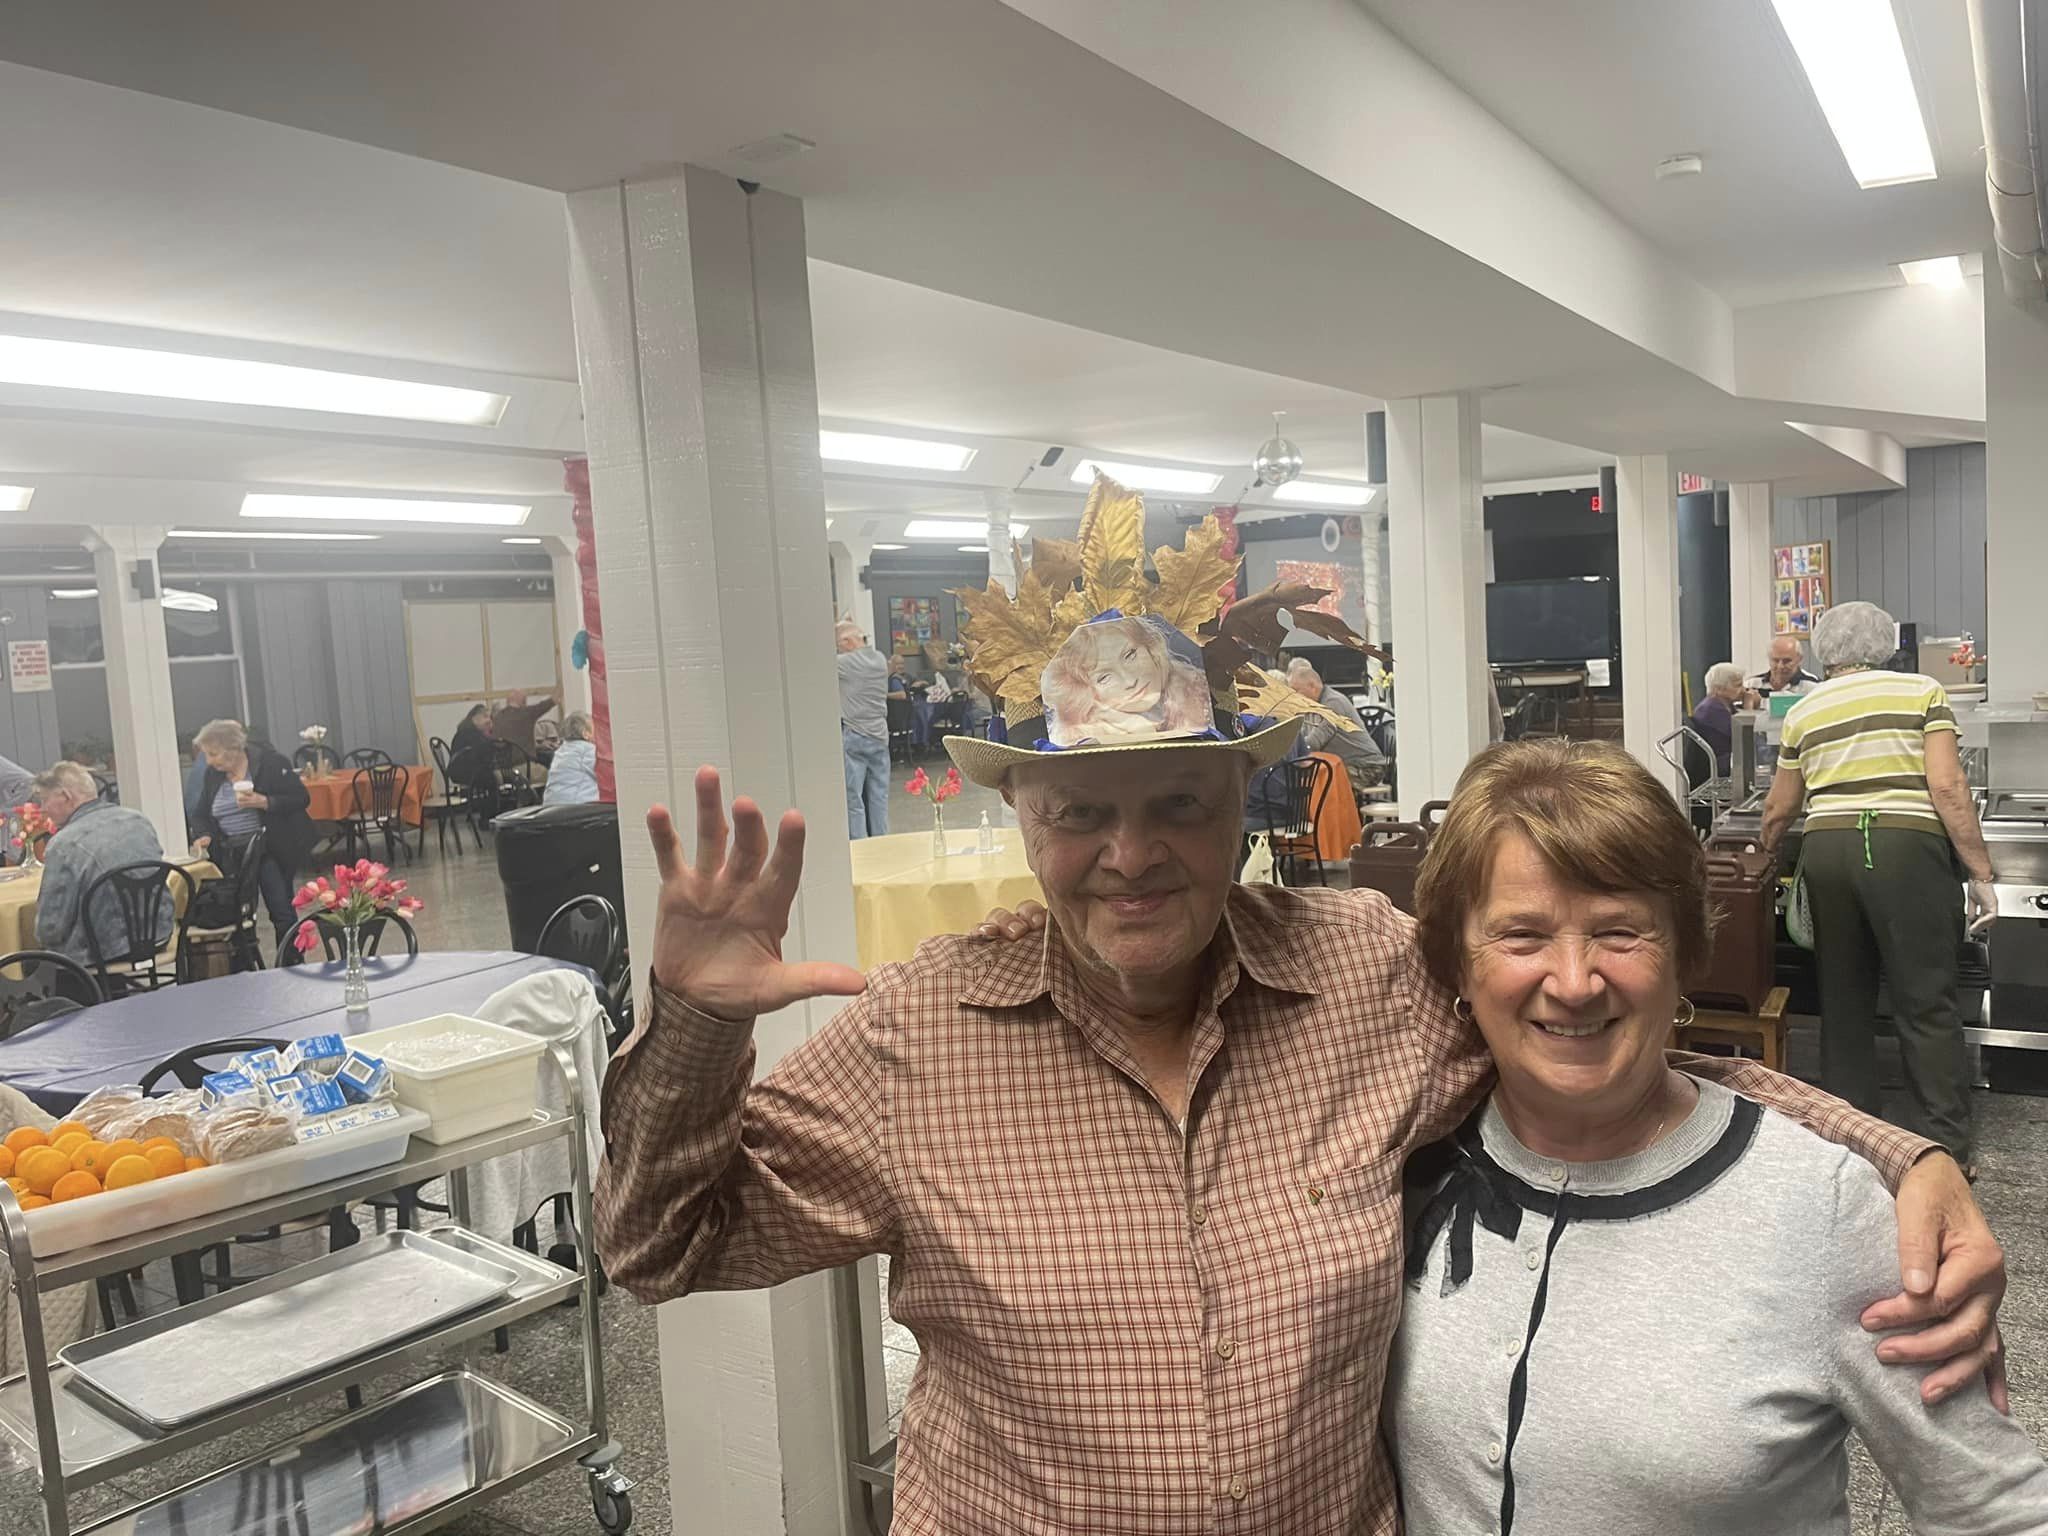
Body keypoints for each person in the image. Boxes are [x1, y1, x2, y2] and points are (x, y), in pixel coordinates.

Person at [596, 495, 2004, 1534]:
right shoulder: (923, 1030)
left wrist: (1896, 1157)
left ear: (1241, 807)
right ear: (1023, 817)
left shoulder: (1361, 973)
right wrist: (694, 1029)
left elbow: (1589, 1043)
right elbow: (658, 1248)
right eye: (1080, 813)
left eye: (1177, 805)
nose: (1130, 856)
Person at [1386, 739, 2046, 1534]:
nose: (1573, 982)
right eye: (1522, 936)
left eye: (1619, 932)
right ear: (1457, 965)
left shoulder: (1822, 1210)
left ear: (1686, 955)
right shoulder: (1409, 1164)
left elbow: (1996, 1510)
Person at [1761, 602, 1995, 1171]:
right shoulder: (1922, 692)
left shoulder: (1805, 708)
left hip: (1827, 849)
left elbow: (1781, 806)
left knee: (1842, 999)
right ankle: (1942, 1148)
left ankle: (1853, 1142)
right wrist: (1981, 873)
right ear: (1884, 645)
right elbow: (1947, 786)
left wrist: (1763, 852)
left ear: (1825, 650)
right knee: (1925, 998)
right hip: (1905, 847)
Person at [189, 718, 316, 946]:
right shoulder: (213, 775)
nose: (209, 761)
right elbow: (200, 814)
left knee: (281, 910)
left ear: (233, 748)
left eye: (213, 754)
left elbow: (300, 798)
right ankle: (245, 963)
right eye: (206, 755)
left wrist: (265, 802)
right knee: (237, 916)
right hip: (230, 852)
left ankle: (291, 959)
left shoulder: (271, 764)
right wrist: (204, 834)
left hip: (269, 847)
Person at [29, 762, 169, 965]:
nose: (43, 809)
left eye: (44, 800)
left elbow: (51, 928)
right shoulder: (139, 821)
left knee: (32, 962)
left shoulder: (64, 844)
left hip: (104, 951)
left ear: (66, 796)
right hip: (159, 934)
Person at [1286, 656, 1387, 788]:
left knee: (1321, 782)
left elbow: (1315, 742)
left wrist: (1286, 751)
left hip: (1367, 767)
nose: (1293, 695)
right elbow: (1302, 737)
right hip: (1347, 764)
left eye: (1296, 690)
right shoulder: (1311, 706)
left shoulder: (1333, 703)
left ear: (1312, 686)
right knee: (1308, 779)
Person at [836, 621, 891, 839]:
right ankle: (880, 841)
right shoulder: (880, 660)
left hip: (855, 736)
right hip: (880, 737)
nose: (839, 649)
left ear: (847, 641)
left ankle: (859, 845)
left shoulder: (845, 663)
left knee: (853, 799)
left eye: (839, 644)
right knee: (879, 796)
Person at [1690, 660, 1745, 777]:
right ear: (1719, 688)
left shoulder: (1727, 706)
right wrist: (1749, 707)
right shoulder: (1710, 709)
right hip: (1717, 765)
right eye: (1738, 685)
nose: (1743, 690)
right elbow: (1743, 736)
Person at [542, 711, 600, 805]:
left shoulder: (561, 751)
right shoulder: (587, 750)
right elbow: (604, 775)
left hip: (551, 805)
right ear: (585, 734)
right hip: (575, 805)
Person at [1747, 634, 1822, 702]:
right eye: (1775, 660)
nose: (1780, 666)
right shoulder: (1752, 684)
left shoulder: (1815, 686)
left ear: (1799, 659)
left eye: (1787, 661)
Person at [490, 689, 559, 754]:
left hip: (501, 761)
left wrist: (539, 746)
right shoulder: (526, 714)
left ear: (507, 701)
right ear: (523, 702)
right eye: (525, 701)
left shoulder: (497, 717)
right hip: (522, 761)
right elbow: (550, 702)